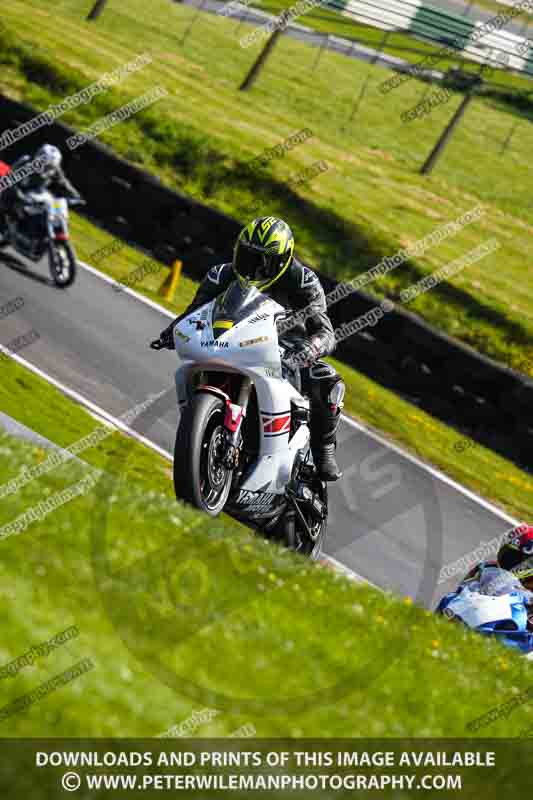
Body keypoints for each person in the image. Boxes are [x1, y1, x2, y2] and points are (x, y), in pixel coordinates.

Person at [151, 216, 345, 481]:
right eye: (247, 256)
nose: (253, 268)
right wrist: (170, 332)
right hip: (236, 338)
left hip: (287, 347)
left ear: (282, 259)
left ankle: (323, 450)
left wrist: (309, 350)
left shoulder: (303, 281)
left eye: (263, 261)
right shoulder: (221, 274)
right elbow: (194, 311)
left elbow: (325, 331)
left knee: (327, 378)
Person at [0, 144, 81, 233]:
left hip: (34, 196)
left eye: (49, 166)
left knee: (50, 208)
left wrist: (75, 195)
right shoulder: (25, 162)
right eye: (44, 163)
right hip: (14, 193)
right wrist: (17, 193)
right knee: (8, 209)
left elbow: (64, 183)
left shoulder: (54, 170)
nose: (46, 167)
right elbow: (9, 178)